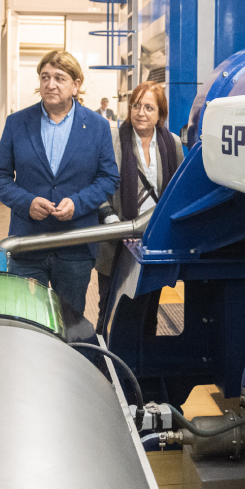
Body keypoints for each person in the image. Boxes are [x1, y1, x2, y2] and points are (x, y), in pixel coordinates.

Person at [0, 50, 119, 316]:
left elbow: (109, 178)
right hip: (27, 245)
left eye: (60, 78)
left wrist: (78, 203)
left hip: (75, 246)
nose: (50, 84)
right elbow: (0, 176)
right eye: (45, 77)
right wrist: (26, 202)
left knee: (69, 324)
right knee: (26, 321)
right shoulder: (18, 123)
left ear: (76, 84)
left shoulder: (97, 126)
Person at [95, 81, 183, 314]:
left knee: (148, 311)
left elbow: (178, 190)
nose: (140, 113)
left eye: (148, 107)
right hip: (116, 239)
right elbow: (97, 183)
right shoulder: (112, 140)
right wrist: (109, 218)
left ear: (160, 113)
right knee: (109, 307)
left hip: (154, 243)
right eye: (136, 106)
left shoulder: (172, 143)